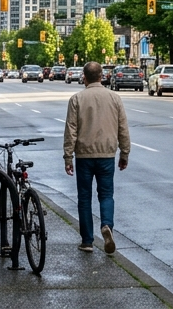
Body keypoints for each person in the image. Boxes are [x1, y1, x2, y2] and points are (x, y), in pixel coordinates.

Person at [62, 61, 130, 254]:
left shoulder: (76, 99)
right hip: (107, 154)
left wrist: (68, 156)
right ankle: (107, 225)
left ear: (84, 77)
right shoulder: (114, 98)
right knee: (106, 195)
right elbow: (123, 129)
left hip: (84, 156)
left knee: (84, 198)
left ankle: (87, 241)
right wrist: (124, 153)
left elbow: (71, 130)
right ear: (102, 76)